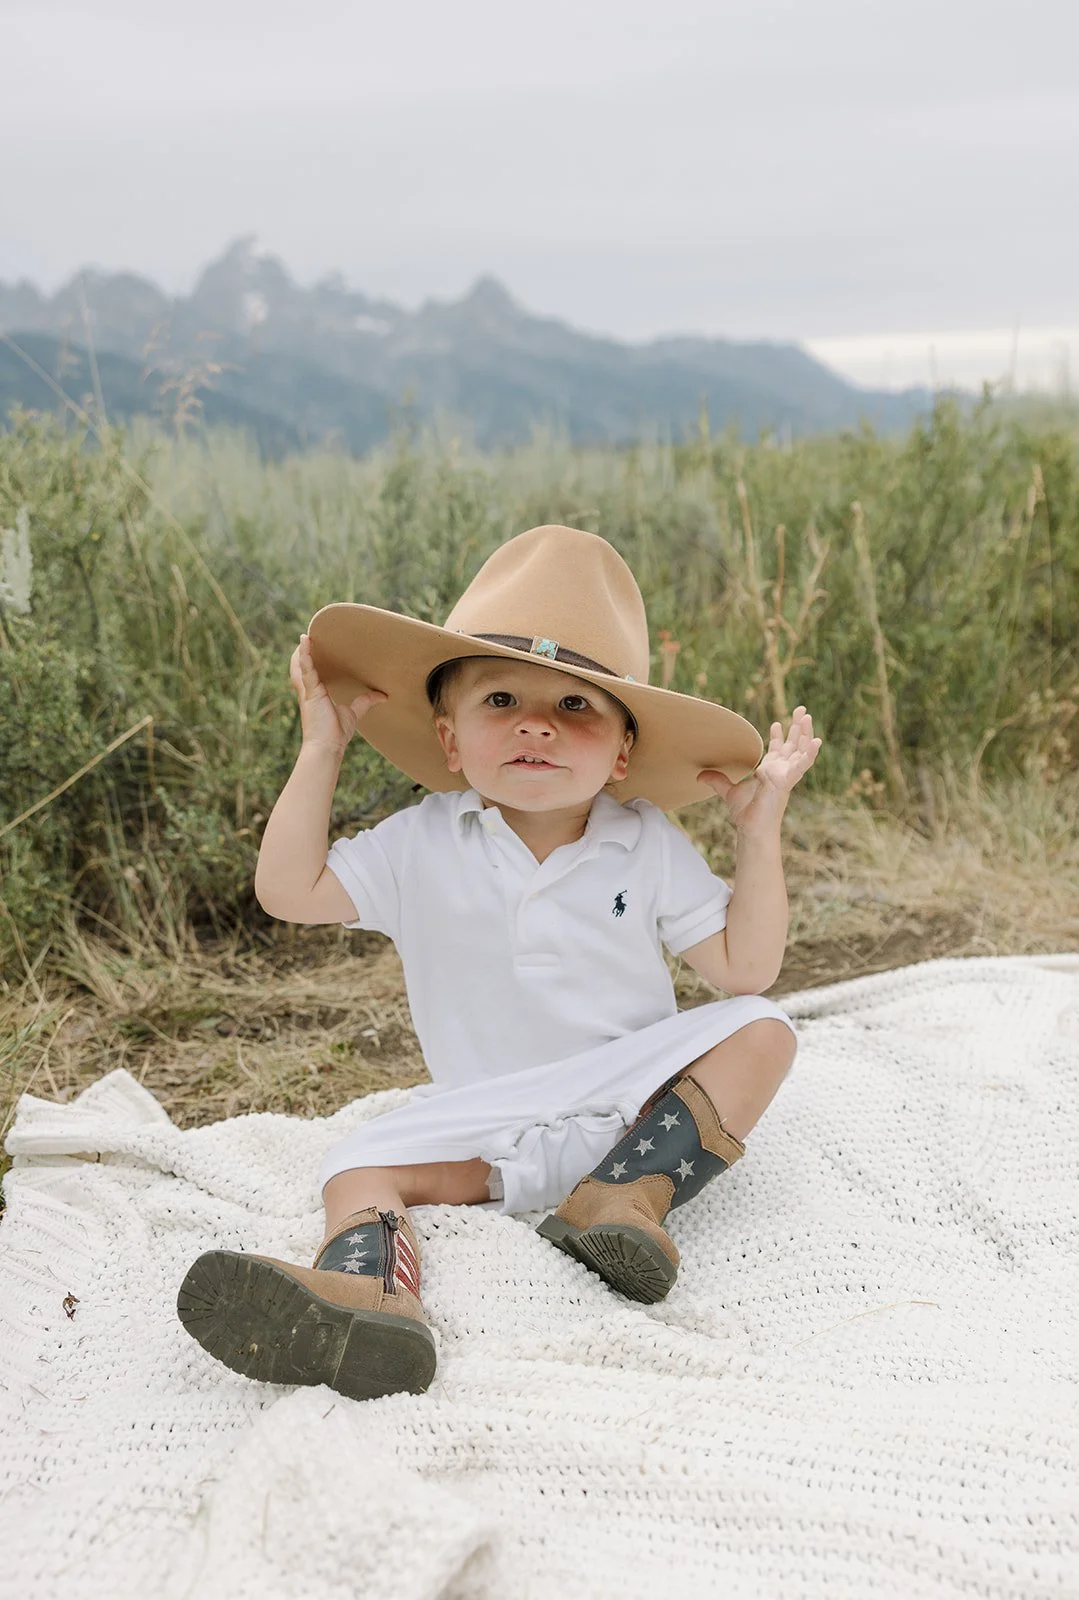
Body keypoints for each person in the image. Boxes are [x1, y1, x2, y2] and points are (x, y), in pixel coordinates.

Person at [177, 524, 820, 1402]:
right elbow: (289, 890)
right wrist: (321, 749)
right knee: (354, 1166)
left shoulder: (644, 843)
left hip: (633, 1112)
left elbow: (744, 966)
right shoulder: (423, 842)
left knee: (763, 1025)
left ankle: (626, 1200)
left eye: (575, 708)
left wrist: (757, 834)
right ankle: (374, 1298)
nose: (536, 727)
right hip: (487, 1126)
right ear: (449, 741)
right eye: (501, 701)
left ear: (622, 753)